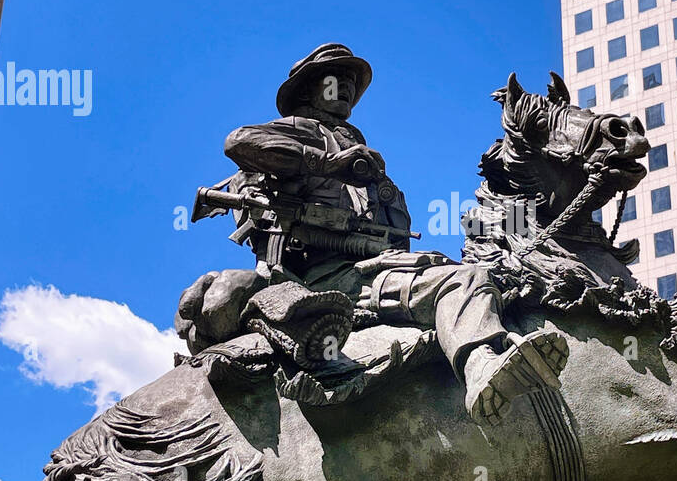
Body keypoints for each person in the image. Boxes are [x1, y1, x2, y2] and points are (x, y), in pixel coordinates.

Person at [188, 43, 567, 423]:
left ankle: (493, 349)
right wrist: (325, 163)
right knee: (462, 280)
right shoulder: (301, 131)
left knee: (466, 276)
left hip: (375, 269)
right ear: (310, 90)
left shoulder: (364, 157)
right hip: (325, 276)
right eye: (338, 78)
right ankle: (480, 366)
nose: (349, 87)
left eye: (353, 81)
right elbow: (237, 142)